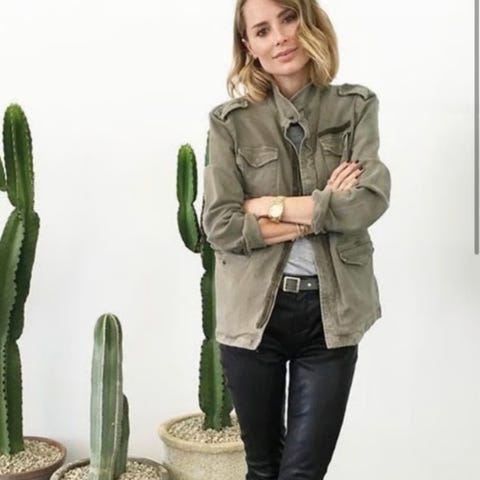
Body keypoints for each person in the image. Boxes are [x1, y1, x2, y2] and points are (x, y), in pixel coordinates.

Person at [202, 0, 391, 478]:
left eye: (288, 18)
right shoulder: (229, 122)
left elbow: (369, 199)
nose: (280, 37)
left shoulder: (355, 106)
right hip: (252, 315)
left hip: (331, 314)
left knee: (302, 474)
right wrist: (324, 208)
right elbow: (220, 224)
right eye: (262, 30)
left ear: (309, 22)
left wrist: (266, 206)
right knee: (263, 469)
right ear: (249, 46)